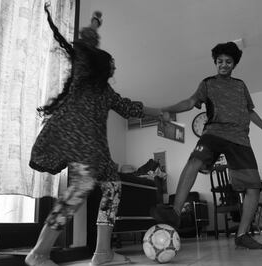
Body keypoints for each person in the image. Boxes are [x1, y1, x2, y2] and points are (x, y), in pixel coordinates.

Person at [25, 4, 163, 266]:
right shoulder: (82, 75)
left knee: (112, 186)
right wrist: (94, 25)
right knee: (79, 189)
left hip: (97, 152)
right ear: (97, 65)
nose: (113, 68)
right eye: (110, 64)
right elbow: (85, 43)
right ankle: (39, 253)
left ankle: (102, 253)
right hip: (79, 144)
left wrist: (162, 113)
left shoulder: (106, 93)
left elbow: (131, 108)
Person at [151, 42, 262, 249]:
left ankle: (242, 234)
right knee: (195, 160)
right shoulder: (208, 83)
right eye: (220, 61)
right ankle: (174, 212)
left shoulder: (240, 85)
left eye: (228, 62)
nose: (223, 65)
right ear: (215, 63)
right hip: (214, 133)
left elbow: (250, 111)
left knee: (254, 187)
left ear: (234, 64)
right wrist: (165, 109)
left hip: (240, 138)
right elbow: (190, 102)